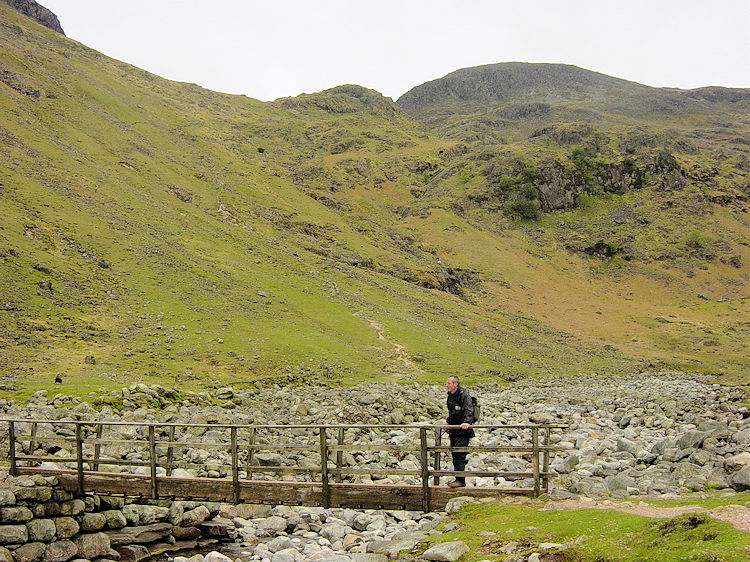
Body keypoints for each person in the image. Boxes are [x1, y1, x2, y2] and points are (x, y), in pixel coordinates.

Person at [444, 375, 474, 487]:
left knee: (460, 454)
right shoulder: (450, 396)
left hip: (463, 431)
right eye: (446, 384)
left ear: (455, 384)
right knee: (455, 454)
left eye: (448, 383)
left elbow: (468, 408)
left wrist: (467, 422)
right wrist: (447, 422)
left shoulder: (464, 395)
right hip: (454, 430)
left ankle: (460, 480)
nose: (447, 386)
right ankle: (458, 478)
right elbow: (452, 412)